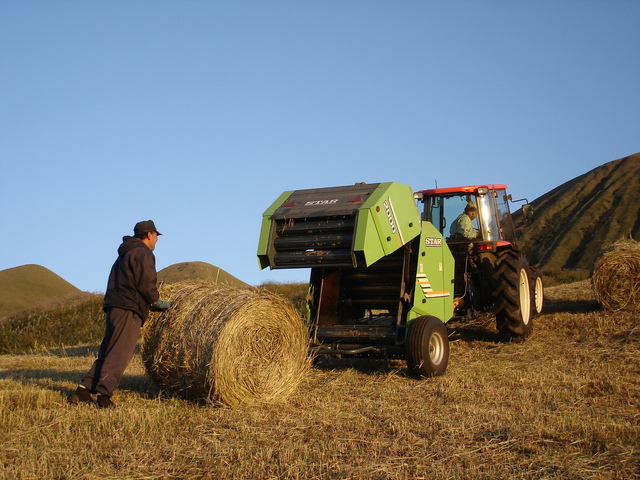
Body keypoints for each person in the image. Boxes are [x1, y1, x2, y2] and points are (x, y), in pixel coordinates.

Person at [69, 220, 171, 408]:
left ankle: (83, 390)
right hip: (129, 308)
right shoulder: (143, 253)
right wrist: (155, 300)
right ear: (149, 235)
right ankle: (103, 395)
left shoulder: (126, 252)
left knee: (107, 351)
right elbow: (147, 281)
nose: (157, 239)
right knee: (120, 353)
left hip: (114, 306)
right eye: (156, 235)